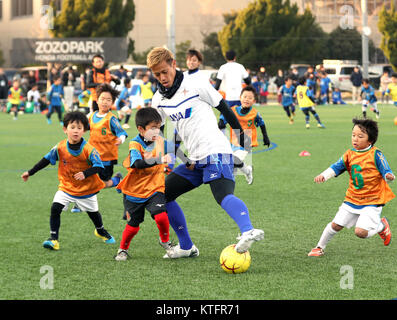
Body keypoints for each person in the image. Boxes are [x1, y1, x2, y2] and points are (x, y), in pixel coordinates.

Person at [147, 47, 264, 258]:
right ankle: (186, 247)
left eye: (165, 71)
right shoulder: (158, 100)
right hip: (194, 160)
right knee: (162, 195)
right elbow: (165, 133)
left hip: (216, 151)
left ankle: (248, 231)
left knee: (222, 195)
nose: (162, 78)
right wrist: (170, 159)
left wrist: (244, 144)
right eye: (157, 74)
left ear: (173, 63)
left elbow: (226, 110)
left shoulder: (197, 84)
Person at [20, 111, 116, 251]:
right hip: (67, 186)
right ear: (65, 129)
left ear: (84, 130)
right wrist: (30, 172)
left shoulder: (89, 149)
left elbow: (99, 166)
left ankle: (100, 231)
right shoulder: (60, 147)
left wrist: (85, 173)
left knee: (94, 214)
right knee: (55, 208)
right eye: (72, 127)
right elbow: (45, 160)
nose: (75, 131)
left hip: (86, 189)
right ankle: (54, 239)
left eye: (79, 128)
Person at [308, 118, 395, 257]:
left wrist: (388, 176)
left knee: (360, 232)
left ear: (370, 140)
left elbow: (386, 170)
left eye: (360, 136)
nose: (355, 139)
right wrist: (324, 175)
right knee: (336, 225)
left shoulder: (375, 154)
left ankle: (382, 226)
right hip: (352, 198)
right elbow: (336, 167)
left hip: (372, 200)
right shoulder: (349, 154)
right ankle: (319, 247)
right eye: (353, 135)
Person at [114, 107, 174, 261]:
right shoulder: (135, 144)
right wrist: (160, 160)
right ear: (141, 129)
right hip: (134, 191)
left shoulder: (160, 140)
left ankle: (165, 241)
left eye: (159, 127)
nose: (157, 131)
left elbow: (176, 151)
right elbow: (137, 164)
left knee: (161, 216)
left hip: (155, 188)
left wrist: (190, 163)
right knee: (133, 224)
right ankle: (123, 249)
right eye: (153, 128)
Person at [218, 85, 270, 185]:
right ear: (240, 97)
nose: (247, 99)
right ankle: (246, 171)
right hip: (233, 141)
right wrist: (221, 121)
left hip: (247, 141)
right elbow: (224, 116)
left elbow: (262, 124)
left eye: (250, 98)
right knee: (232, 166)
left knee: (234, 161)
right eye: (245, 97)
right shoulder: (233, 110)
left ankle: (245, 173)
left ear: (254, 101)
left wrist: (265, 137)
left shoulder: (255, 113)